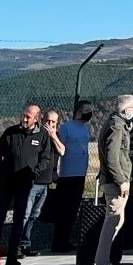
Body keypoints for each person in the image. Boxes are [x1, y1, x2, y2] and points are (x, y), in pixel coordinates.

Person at [0, 103, 52, 265]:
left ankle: (13, 255)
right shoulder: (11, 132)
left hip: (25, 185)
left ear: (36, 118)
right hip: (6, 183)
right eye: (23, 115)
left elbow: (45, 158)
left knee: (20, 219)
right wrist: (0, 173)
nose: (24, 119)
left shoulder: (42, 135)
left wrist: (34, 172)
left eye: (28, 117)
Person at [91, 95, 133, 265]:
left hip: (113, 181)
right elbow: (112, 158)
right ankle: (101, 264)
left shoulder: (115, 124)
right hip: (115, 183)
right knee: (112, 220)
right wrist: (121, 180)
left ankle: (103, 263)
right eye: (132, 107)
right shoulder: (117, 127)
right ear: (126, 109)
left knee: (117, 220)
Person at [20, 110, 66, 255]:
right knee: (25, 214)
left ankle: (25, 244)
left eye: (53, 122)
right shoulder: (36, 134)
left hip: (45, 182)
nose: (50, 124)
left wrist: (53, 136)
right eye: (48, 121)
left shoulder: (55, 136)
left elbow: (62, 151)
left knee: (34, 214)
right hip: (33, 181)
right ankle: (18, 244)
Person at [52, 101, 94, 252]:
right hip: (67, 174)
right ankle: (58, 242)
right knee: (63, 210)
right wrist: (54, 170)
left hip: (80, 174)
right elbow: (59, 149)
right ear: (78, 111)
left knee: (73, 210)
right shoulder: (66, 127)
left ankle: (67, 239)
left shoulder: (86, 128)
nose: (89, 113)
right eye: (86, 110)